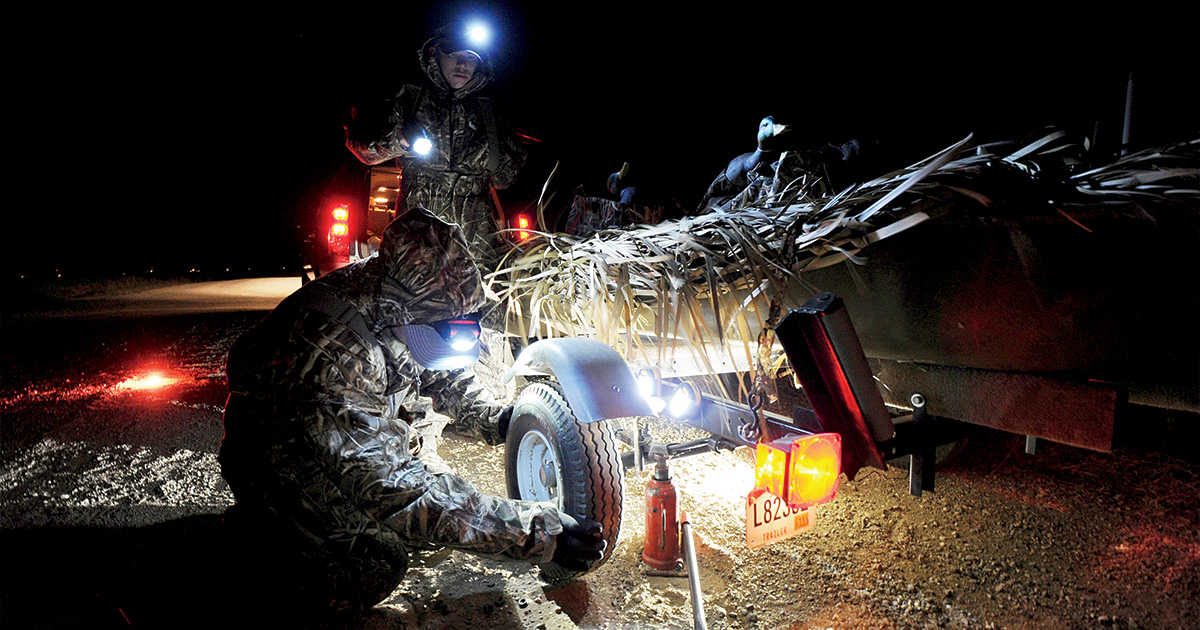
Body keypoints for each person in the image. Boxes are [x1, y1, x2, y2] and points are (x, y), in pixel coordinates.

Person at [218, 207, 604, 613]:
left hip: (345, 431)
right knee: (376, 560)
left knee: (426, 527)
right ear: (402, 312)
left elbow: (436, 369)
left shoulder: (413, 296)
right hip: (280, 451)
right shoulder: (336, 356)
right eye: (444, 327)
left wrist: (497, 419)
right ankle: (258, 537)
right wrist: (535, 534)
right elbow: (398, 490)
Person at [345, 21, 527, 275]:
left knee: (483, 312)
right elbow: (361, 148)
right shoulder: (410, 98)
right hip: (415, 253)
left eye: (470, 58)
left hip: (475, 257)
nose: (463, 64)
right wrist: (399, 140)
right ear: (436, 54)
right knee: (408, 311)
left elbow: (507, 179)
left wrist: (495, 158)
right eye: (454, 55)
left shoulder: (491, 110)